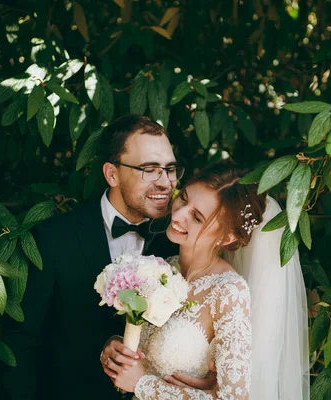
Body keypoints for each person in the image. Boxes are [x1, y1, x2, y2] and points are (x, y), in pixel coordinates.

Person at [0, 115, 184, 399]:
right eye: (149, 169)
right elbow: (23, 341)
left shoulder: (177, 243)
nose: (166, 182)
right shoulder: (54, 238)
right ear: (112, 174)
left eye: (170, 169)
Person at [105, 162, 310, 399]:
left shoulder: (228, 292)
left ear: (227, 236)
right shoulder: (161, 267)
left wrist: (142, 384)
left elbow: (234, 397)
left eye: (197, 217)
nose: (179, 213)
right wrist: (115, 347)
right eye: (183, 198)